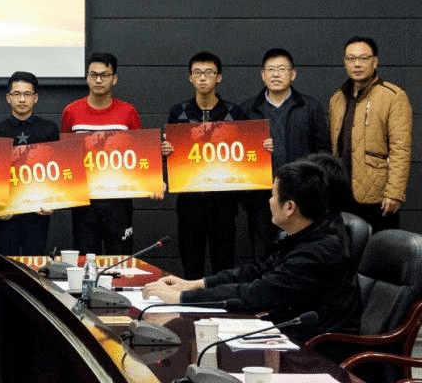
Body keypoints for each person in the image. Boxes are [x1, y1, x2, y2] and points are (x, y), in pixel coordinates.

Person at [142, 159, 361, 344]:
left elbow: (255, 294)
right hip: (290, 336)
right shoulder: (303, 236)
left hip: (317, 349)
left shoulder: (317, 252)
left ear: (290, 207)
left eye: (273, 195)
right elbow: (255, 272)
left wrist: (181, 297)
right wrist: (196, 284)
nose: (269, 201)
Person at [162, 52, 247, 279]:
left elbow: (245, 155)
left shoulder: (234, 113)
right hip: (190, 201)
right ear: (190, 77)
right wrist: (166, 151)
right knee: (191, 264)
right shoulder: (178, 112)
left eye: (209, 73)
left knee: (224, 263)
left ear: (219, 77)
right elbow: (172, 156)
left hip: (224, 202)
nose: (202, 78)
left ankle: (222, 300)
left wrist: (262, 146)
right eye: (197, 73)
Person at [241, 48, 329, 261]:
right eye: (270, 70)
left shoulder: (311, 108)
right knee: (263, 257)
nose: (276, 74)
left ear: (293, 73)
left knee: (301, 256)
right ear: (263, 75)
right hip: (262, 199)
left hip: (301, 198)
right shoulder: (247, 110)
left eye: (281, 69)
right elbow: (238, 158)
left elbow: (323, 154)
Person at [60, 52, 145, 255]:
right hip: (84, 201)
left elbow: (141, 154)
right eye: (93, 75)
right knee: (86, 260)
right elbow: (64, 156)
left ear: (114, 78)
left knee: (121, 258)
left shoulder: (128, 112)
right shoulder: (71, 112)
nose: (98, 80)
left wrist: (152, 182)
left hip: (119, 200)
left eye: (104, 75)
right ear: (87, 77)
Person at [329, 36, 412, 233]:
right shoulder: (337, 99)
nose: (357, 64)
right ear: (345, 63)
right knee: (345, 248)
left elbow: (401, 148)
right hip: (342, 192)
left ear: (375, 62)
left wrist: (395, 192)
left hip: (378, 194)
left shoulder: (393, 96)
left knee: (380, 248)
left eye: (363, 58)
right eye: (351, 59)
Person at [0, 71, 59, 256]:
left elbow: (58, 171)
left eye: (27, 94)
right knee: (5, 264)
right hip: (5, 214)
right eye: (17, 94)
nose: (21, 99)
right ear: (8, 97)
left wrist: (54, 202)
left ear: (35, 98)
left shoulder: (49, 129)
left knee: (34, 264)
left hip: (38, 212)